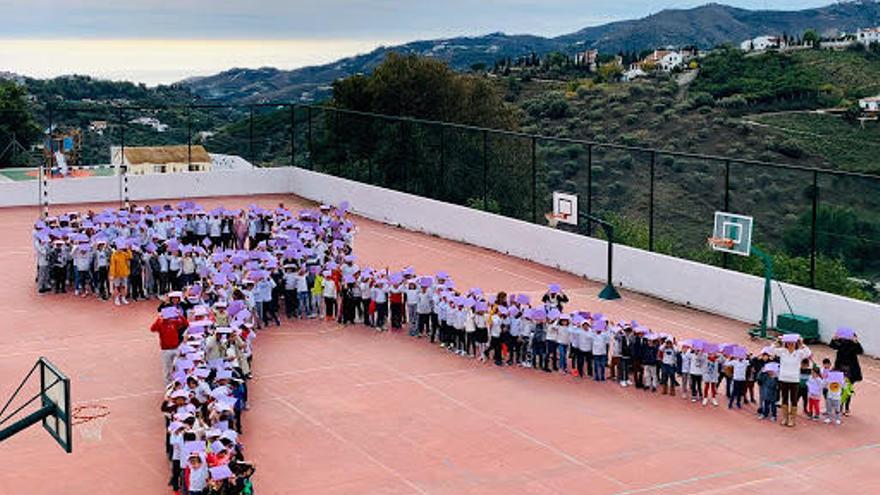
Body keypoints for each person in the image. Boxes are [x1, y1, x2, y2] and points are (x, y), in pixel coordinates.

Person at [770, 334, 811, 427]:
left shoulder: (799, 353)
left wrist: (802, 343)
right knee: (784, 399)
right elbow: (771, 350)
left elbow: (808, 353)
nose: (790, 345)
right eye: (788, 343)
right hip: (783, 378)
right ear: (786, 343)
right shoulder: (782, 351)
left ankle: (792, 419)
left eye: (792, 343)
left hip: (795, 380)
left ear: (795, 343)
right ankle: (785, 418)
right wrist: (777, 341)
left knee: (794, 400)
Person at [150, 306, 188, 384]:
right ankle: (168, 384)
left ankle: (179, 381)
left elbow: (186, 324)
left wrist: (179, 315)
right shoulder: (160, 323)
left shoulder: (174, 322)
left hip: (175, 348)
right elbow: (152, 329)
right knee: (167, 368)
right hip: (165, 350)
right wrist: (158, 318)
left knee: (177, 365)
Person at [109, 238, 132, 305]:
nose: (120, 249)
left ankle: (123, 298)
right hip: (117, 274)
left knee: (123, 286)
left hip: (124, 273)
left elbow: (130, 256)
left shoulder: (124, 254)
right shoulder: (114, 255)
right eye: (119, 247)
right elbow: (112, 265)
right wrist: (112, 275)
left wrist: (128, 249)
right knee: (117, 287)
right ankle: (116, 299)